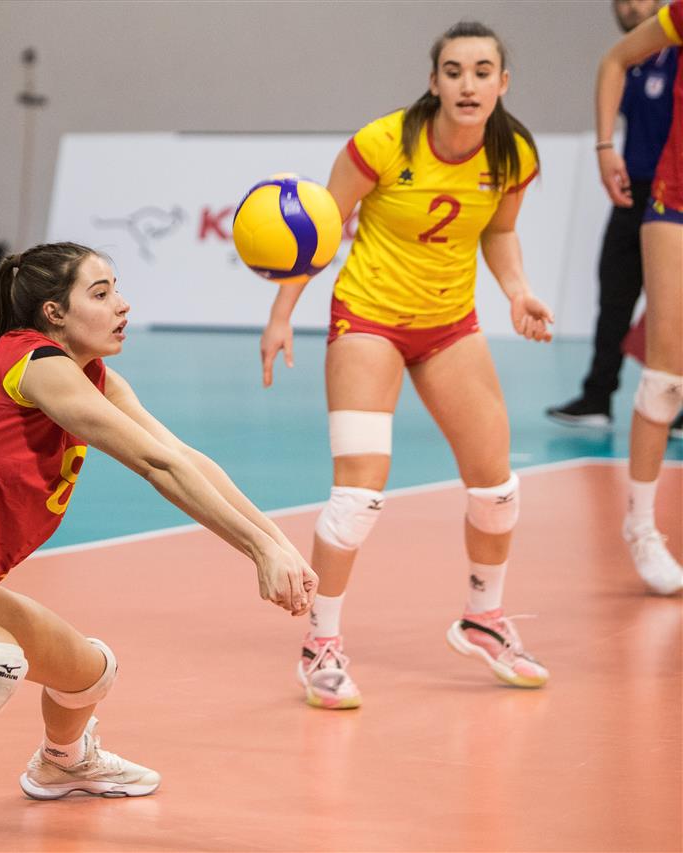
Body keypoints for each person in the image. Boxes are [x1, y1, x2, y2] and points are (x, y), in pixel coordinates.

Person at [0, 241, 317, 852]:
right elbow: (154, 466)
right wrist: (255, 551)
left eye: (117, 289)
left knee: (91, 672)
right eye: (101, 293)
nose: (122, 304)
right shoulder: (35, 365)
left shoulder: (94, 378)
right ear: (54, 313)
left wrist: (278, 543)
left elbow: (182, 456)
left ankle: (62, 764)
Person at [260, 21, 554, 710]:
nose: (468, 84)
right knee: (357, 498)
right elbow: (319, 229)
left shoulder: (513, 153)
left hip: (451, 326)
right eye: (454, 71)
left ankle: (483, 619)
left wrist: (517, 292)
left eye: (482, 71)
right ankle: (320, 644)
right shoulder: (383, 143)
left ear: (502, 83)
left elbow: (501, 229)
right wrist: (281, 314)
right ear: (434, 82)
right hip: (368, 320)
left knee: (498, 489)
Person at [548, 1, 682, 438]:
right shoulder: (631, 63)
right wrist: (605, 147)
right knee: (614, 294)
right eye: (622, 0)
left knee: (673, 309)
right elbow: (612, 63)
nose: (630, 6)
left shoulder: (674, 51)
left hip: (674, 194)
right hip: (633, 189)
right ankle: (597, 395)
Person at [595, 0, 683, 595]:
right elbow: (614, 60)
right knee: (665, 378)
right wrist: (606, 147)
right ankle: (642, 527)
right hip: (674, 203)